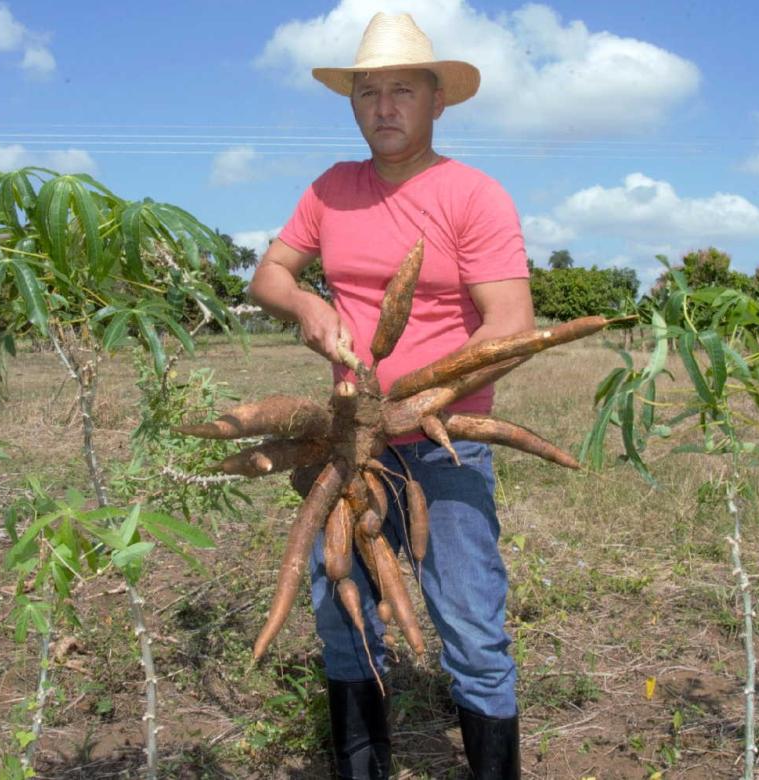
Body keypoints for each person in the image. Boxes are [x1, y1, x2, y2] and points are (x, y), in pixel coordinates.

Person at [250, 12, 534, 780]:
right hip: (345, 447)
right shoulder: (331, 188)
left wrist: (409, 405)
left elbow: (511, 323)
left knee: (470, 625)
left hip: (445, 440)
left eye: (401, 90)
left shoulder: (473, 195)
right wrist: (309, 307)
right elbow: (268, 275)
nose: (383, 107)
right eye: (367, 91)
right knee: (342, 614)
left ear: (437, 100)